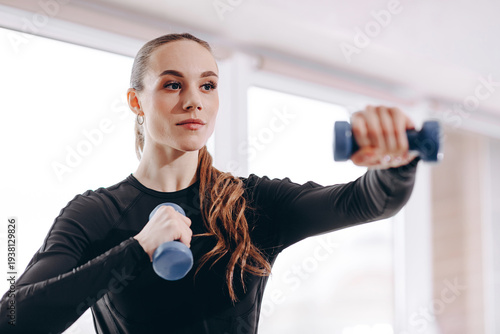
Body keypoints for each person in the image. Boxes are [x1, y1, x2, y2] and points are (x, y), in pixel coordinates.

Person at [0, 33, 420, 334]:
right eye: (172, 84)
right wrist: (136, 249)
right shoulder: (96, 213)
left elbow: (366, 202)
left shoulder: (253, 202)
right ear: (136, 101)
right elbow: (13, 320)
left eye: (207, 85)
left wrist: (396, 164)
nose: (193, 100)